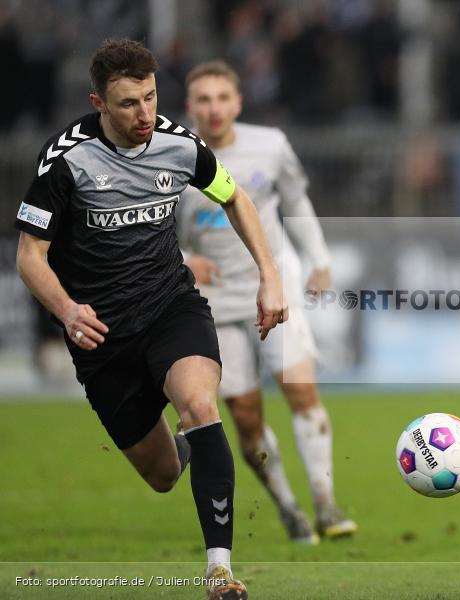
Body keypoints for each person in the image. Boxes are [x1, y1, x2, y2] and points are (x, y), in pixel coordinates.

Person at [14, 38, 288, 600]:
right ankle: (192, 446)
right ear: (98, 103)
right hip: (102, 338)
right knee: (164, 475)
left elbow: (235, 198)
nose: (144, 115)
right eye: (128, 104)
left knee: (199, 404)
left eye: (150, 97)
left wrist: (270, 274)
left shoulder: (180, 145)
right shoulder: (64, 161)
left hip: (170, 308)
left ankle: (219, 570)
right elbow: (29, 256)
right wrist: (67, 310)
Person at [177, 60, 356, 544]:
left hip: (272, 287)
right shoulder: (172, 156)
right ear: (190, 107)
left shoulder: (270, 146)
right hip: (212, 301)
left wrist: (318, 258)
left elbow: (295, 200)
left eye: (222, 98)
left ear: (238, 102)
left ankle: (326, 504)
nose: (214, 109)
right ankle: (288, 506)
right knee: (247, 417)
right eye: (204, 100)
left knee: (302, 393)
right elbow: (151, 228)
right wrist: (183, 257)